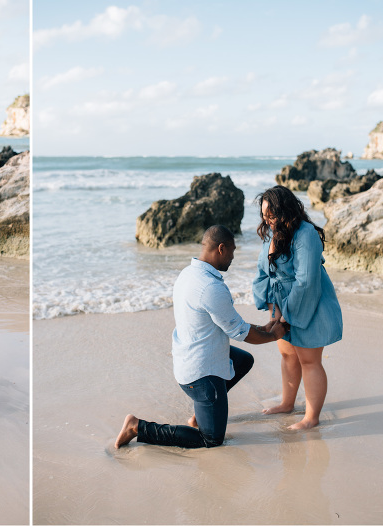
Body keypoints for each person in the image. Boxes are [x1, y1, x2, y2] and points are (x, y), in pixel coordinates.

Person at [115, 225, 288, 449]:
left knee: (244, 361)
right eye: (232, 252)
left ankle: (204, 411)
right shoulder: (210, 287)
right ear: (221, 248)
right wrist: (274, 336)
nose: (233, 257)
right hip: (200, 376)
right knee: (211, 440)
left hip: (187, 360)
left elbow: (231, 324)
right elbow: (240, 333)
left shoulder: (189, 273)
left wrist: (264, 328)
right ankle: (137, 427)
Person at [253, 185, 342, 430]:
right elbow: (264, 274)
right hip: (282, 305)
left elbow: (306, 281)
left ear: (286, 211)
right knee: (287, 355)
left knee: (309, 361)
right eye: (264, 215)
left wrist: (287, 317)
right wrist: (275, 313)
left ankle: (311, 418)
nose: (267, 220)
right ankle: (287, 403)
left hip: (310, 303)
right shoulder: (272, 234)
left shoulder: (305, 234)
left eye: (271, 215)